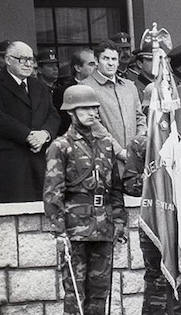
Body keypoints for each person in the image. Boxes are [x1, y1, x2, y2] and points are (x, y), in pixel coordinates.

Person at [43, 84, 125, 315]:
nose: (92, 113)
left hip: (103, 227)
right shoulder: (61, 147)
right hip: (75, 229)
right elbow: (53, 192)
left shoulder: (106, 144)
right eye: (84, 108)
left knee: (100, 290)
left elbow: (115, 188)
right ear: (71, 112)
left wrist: (118, 221)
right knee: (75, 292)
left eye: (94, 108)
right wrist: (59, 232)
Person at [122, 84, 181, 314]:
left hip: (179, 221)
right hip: (155, 219)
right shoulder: (141, 144)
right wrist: (156, 184)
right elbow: (129, 184)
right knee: (157, 280)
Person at [0, 41, 60, 203]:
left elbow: (53, 115)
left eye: (30, 59)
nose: (28, 64)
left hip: (40, 159)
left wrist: (44, 134)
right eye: (22, 59)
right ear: (8, 60)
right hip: (11, 162)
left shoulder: (38, 85)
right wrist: (27, 135)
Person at [80, 40, 147, 174]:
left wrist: (136, 148)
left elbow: (140, 118)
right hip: (104, 162)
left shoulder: (129, 86)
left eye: (114, 59)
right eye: (105, 58)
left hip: (135, 162)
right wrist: (119, 151)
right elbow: (93, 125)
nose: (111, 63)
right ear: (96, 60)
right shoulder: (85, 88)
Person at [54, 48, 97, 136]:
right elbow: (62, 124)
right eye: (91, 64)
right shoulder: (64, 92)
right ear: (78, 68)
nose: (96, 68)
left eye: (97, 64)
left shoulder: (101, 89)